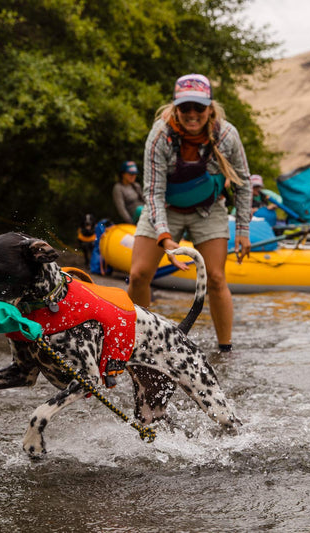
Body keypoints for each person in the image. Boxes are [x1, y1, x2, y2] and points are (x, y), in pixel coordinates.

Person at [127, 73, 252, 353]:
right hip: (165, 208)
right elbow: (152, 192)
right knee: (138, 274)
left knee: (216, 278)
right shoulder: (160, 135)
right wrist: (165, 237)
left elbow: (243, 183)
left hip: (207, 211)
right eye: (185, 108)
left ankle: (225, 350)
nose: (192, 114)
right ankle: (140, 343)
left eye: (199, 107)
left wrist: (243, 231)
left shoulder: (227, 135)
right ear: (175, 108)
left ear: (210, 108)